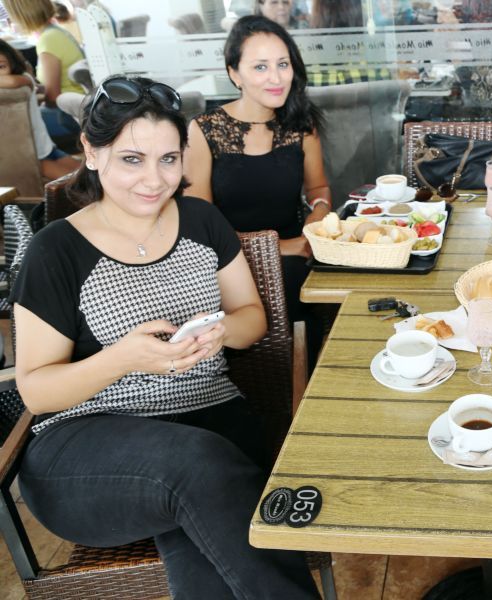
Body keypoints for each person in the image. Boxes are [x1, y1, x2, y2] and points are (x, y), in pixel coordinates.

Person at [11, 75, 321, 599]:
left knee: (204, 508)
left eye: (169, 159)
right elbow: (37, 392)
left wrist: (220, 331)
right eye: (132, 159)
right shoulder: (56, 250)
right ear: (91, 151)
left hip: (211, 426)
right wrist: (123, 358)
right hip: (86, 450)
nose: (154, 180)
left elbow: (251, 318)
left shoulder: (202, 221)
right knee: (201, 468)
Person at [184, 15, 331, 366]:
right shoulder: (204, 130)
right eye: (260, 67)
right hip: (227, 261)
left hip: (299, 251)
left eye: (283, 64)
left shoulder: (301, 124)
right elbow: (199, 225)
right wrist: (282, 247)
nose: (276, 78)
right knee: (293, 280)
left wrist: (319, 214)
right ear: (234, 73)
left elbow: (319, 187)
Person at [4, 0, 84, 139]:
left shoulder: (48, 40)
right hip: (77, 105)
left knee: (11, 125)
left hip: (69, 113)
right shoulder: (56, 31)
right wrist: (39, 90)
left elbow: (53, 98)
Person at [0, 39, 80, 178]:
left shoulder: (24, 78)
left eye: (1, 66)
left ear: (12, 63)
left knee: (89, 177)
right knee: (83, 180)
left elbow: (12, 81)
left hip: (42, 149)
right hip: (36, 153)